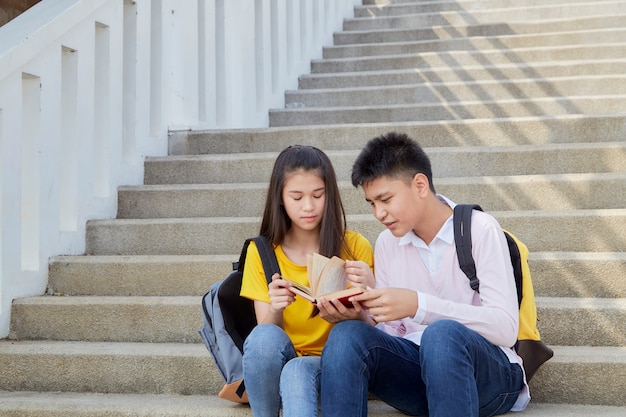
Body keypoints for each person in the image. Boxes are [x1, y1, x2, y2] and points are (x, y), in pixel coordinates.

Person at [317, 132, 528, 417]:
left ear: (419, 185)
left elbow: (504, 328)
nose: (379, 213)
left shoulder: (480, 229)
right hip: (421, 377)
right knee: (346, 336)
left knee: (441, 335)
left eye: (386, 199)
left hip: (489, 377)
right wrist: (362, 316)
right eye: (372, 203)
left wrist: (420, 306)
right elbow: (394, 334)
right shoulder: (387, 243)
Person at [240, 144, 375, 417]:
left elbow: (375, 331)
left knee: (298, 370)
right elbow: (263, 345)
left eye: (317, 194)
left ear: (330, 194)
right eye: (297, 197)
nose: (309, 206)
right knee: (265, 339)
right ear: (280, 197)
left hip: (339, 365)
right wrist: (276, 308)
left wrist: (357, 309)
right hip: (282, 365)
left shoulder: (354, 246)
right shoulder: (263, 252)